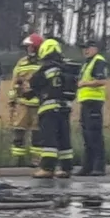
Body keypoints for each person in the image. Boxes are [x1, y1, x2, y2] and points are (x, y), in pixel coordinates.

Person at [23, 38, 76, 179]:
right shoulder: (66, 67)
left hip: (49, 108)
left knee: (49, 139)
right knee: (64, 138)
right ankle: (66, 168)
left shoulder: (47, 66)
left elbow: (35, 82)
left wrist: (26, 92)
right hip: (65, 107)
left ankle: (47, 168)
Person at [7, 33, 44, 167]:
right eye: (27, 47)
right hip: (22, 104)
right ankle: (17, 160)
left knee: (37, 134)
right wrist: (12, 100)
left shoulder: (44, 62)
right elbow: (14, 81)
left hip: (39, 104)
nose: (29, 50)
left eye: (31, 47)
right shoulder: (21, 63)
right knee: (19, 131)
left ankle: (37, 161)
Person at [76, 40, 109, 177]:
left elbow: (102, 80)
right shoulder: (87, 63)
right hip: (85, 102)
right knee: (87, 136)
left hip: (94, 102)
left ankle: (98, 167)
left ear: (95, 48)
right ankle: (87, 166)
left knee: (94, 135)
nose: (85, 50)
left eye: (87, 48)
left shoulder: (98, 61)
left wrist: (84, 84)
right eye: (83, 48)